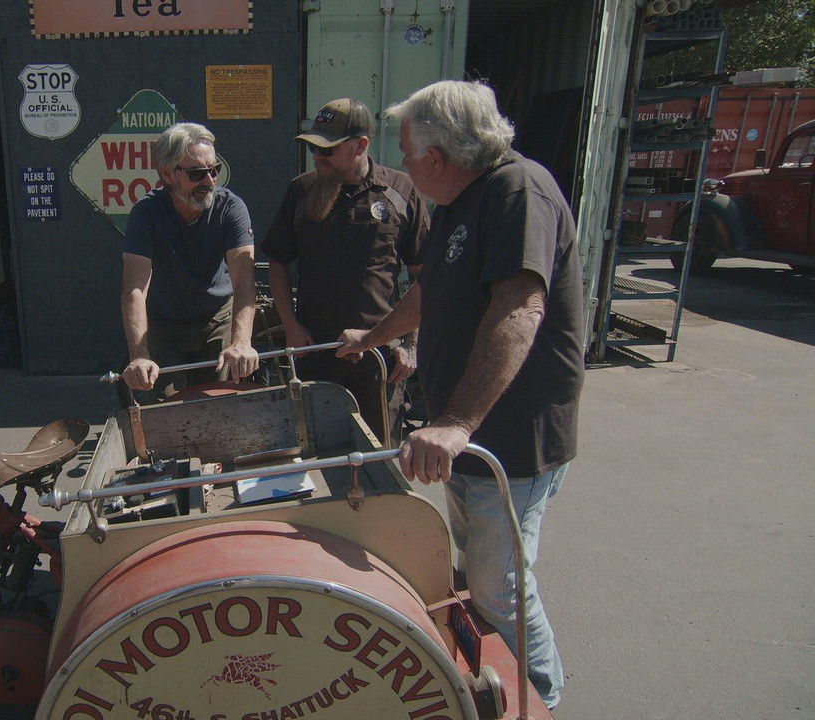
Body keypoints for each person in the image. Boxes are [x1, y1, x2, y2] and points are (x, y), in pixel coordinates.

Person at [336, 80, 585, 709]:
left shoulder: (517, 192)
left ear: (439, 157)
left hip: (510, 433)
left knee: (500, 588)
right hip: (472, 434)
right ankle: (499, 688)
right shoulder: (461, 201)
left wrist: (456, 421)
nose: (404, 165)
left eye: (408, 152)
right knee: (478, 580)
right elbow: (429, 294)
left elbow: (520, 304)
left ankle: (541, 701)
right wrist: (374, 336)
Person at [262, 98, 429, 444]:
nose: (318, 158)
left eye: (328, 151)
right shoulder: (303, 190)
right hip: (314, 351)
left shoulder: (401, 192)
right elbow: (277, 261)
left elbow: (424, 276)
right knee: (314, 453)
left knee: (379, 460)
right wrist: (291, 325)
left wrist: (410, 343)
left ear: (361, 146)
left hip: (379, 356)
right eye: (314, 150)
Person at [120, 122, 259, 400]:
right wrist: (139, 356)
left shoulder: (230, 208)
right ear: (169, 174)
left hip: (216, 317)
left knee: (217, 402)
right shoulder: (147, 213)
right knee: (160, 407)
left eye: (214, 170)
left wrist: (242, 342)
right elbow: (134, 290)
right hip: (164, 322)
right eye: (197, 173)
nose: (209, 181)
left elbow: (244, 281)